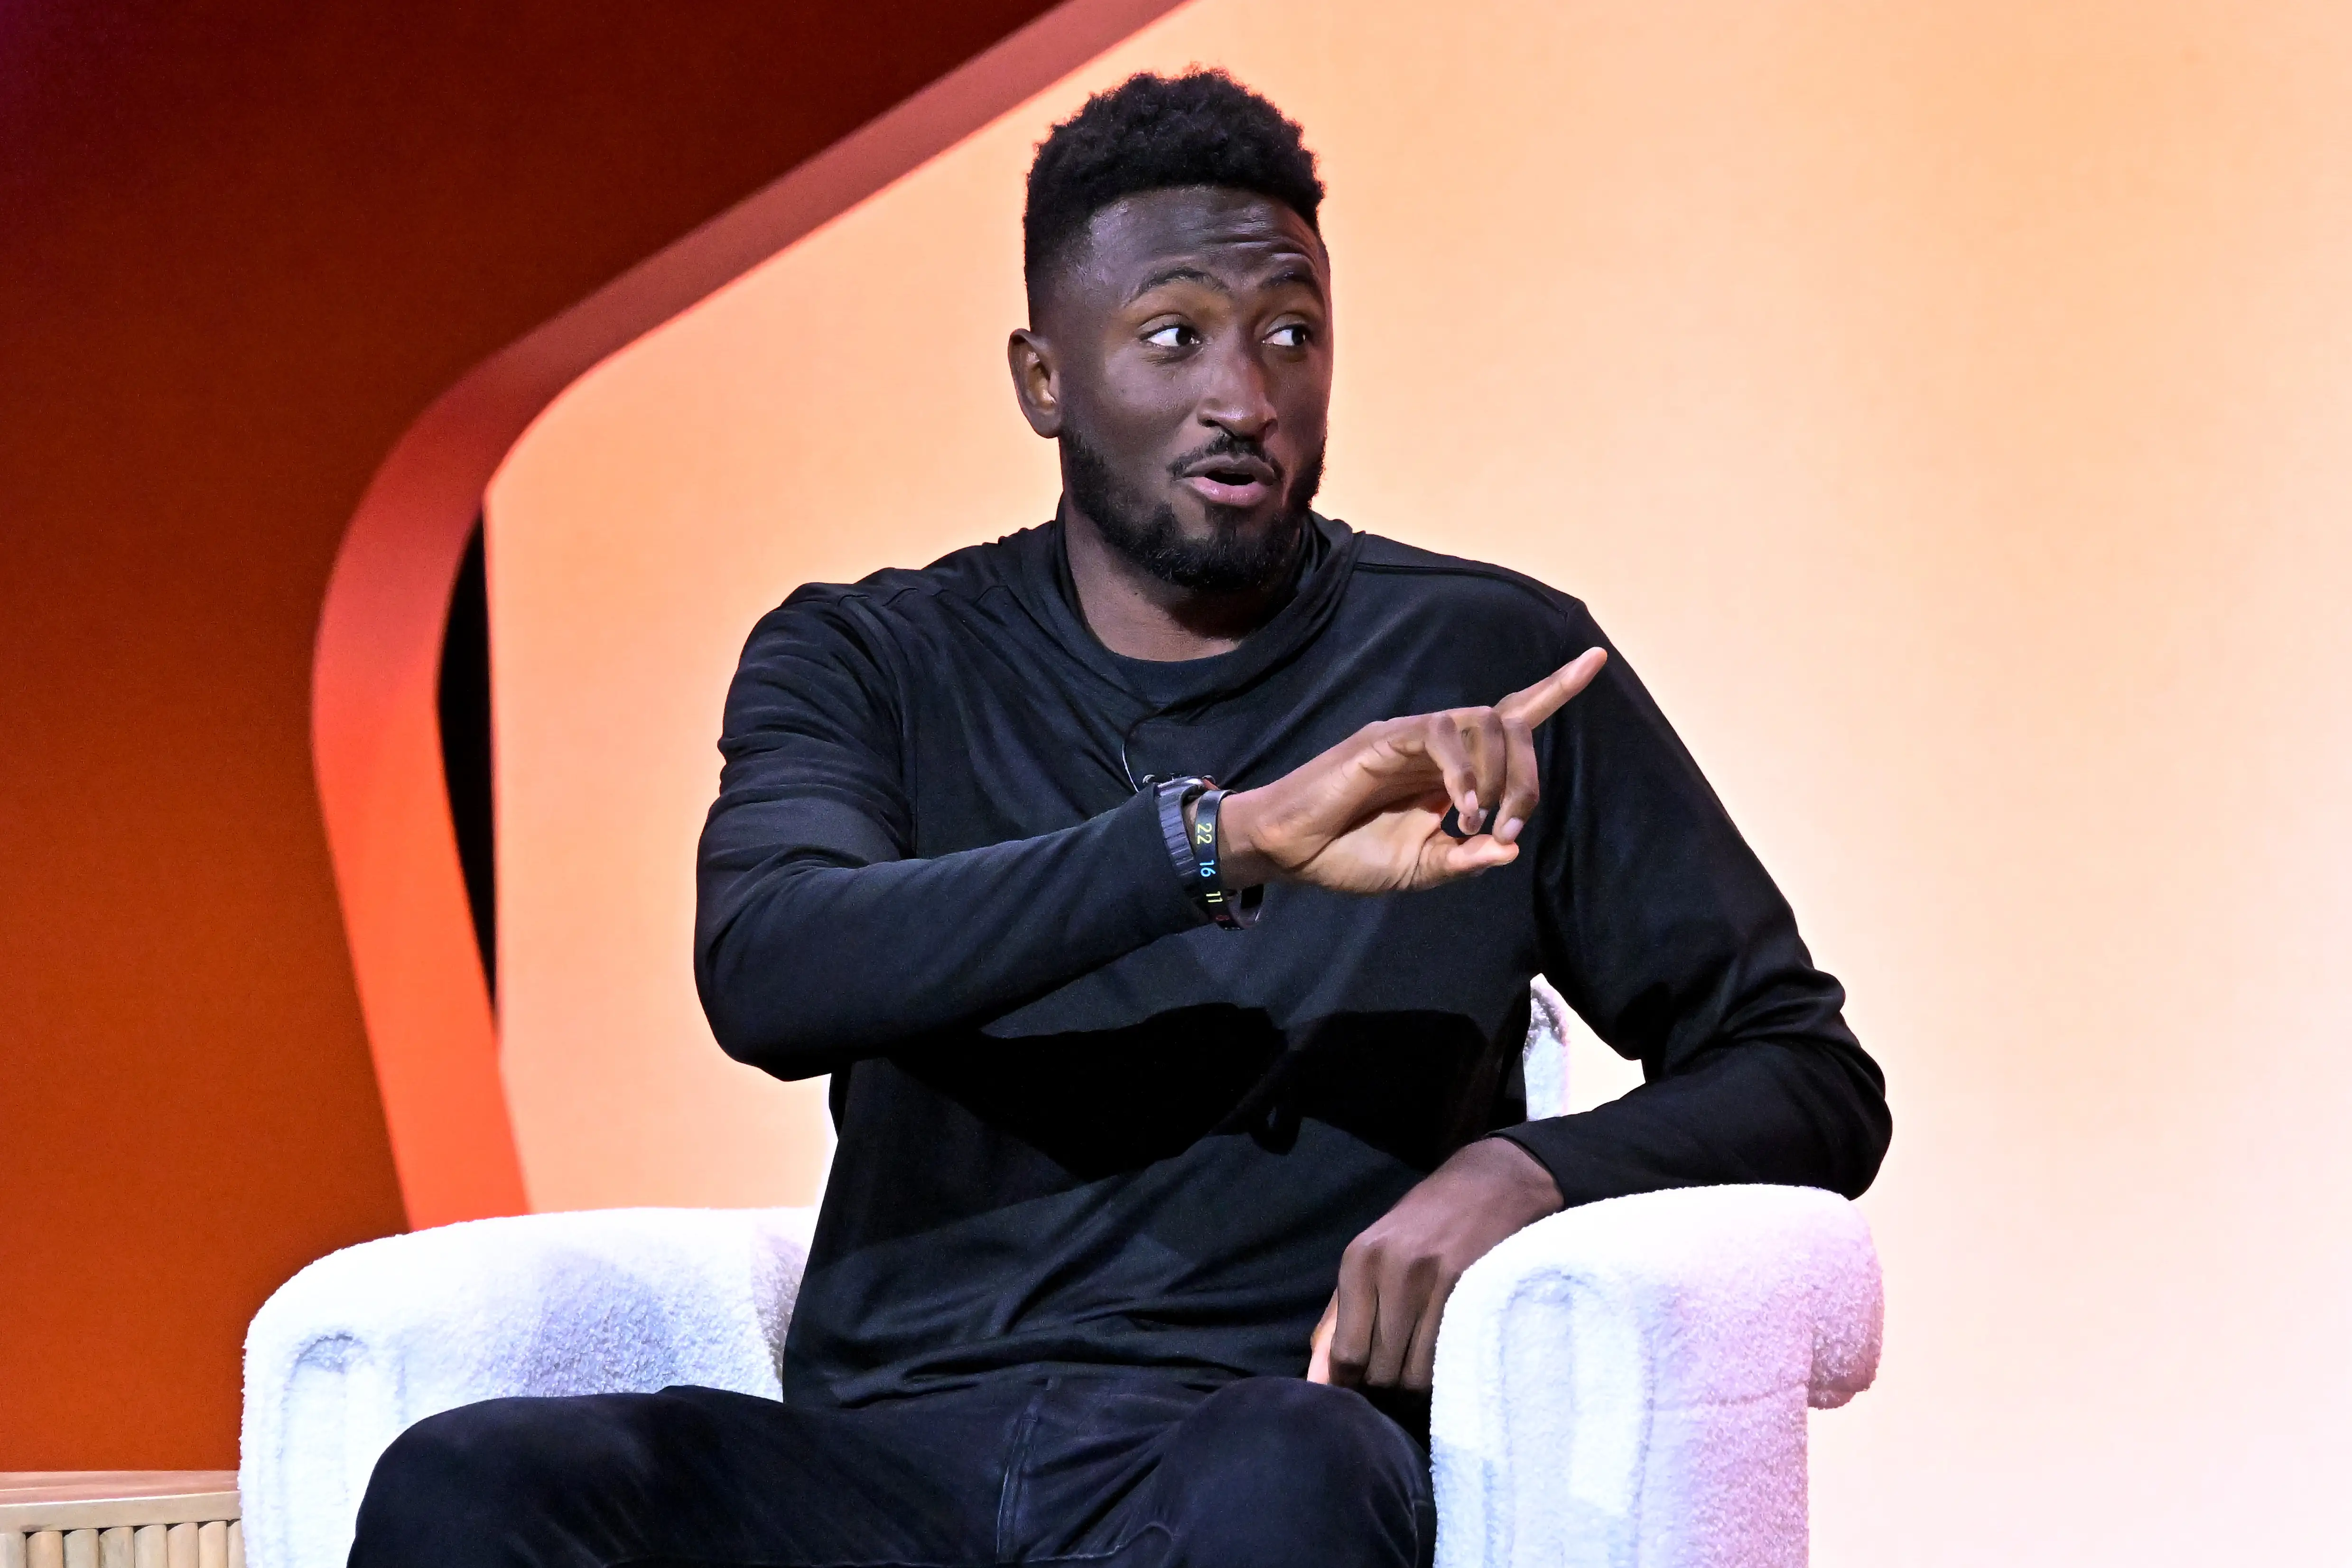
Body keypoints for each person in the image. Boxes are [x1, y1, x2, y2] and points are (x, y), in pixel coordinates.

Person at [349, 68, 1889, 1568]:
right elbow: (770, 966)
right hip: (881, 1459)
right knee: (472, 1481)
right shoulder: (871, 659)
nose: (1244, 397)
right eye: (1175, 339)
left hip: (1251, 1429)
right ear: (1043, 377)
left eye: (1291, 336)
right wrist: (1220, 843)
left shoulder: (1484, 670)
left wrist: (1526, 1175)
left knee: (1287, 1475)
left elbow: (1802, 1071)